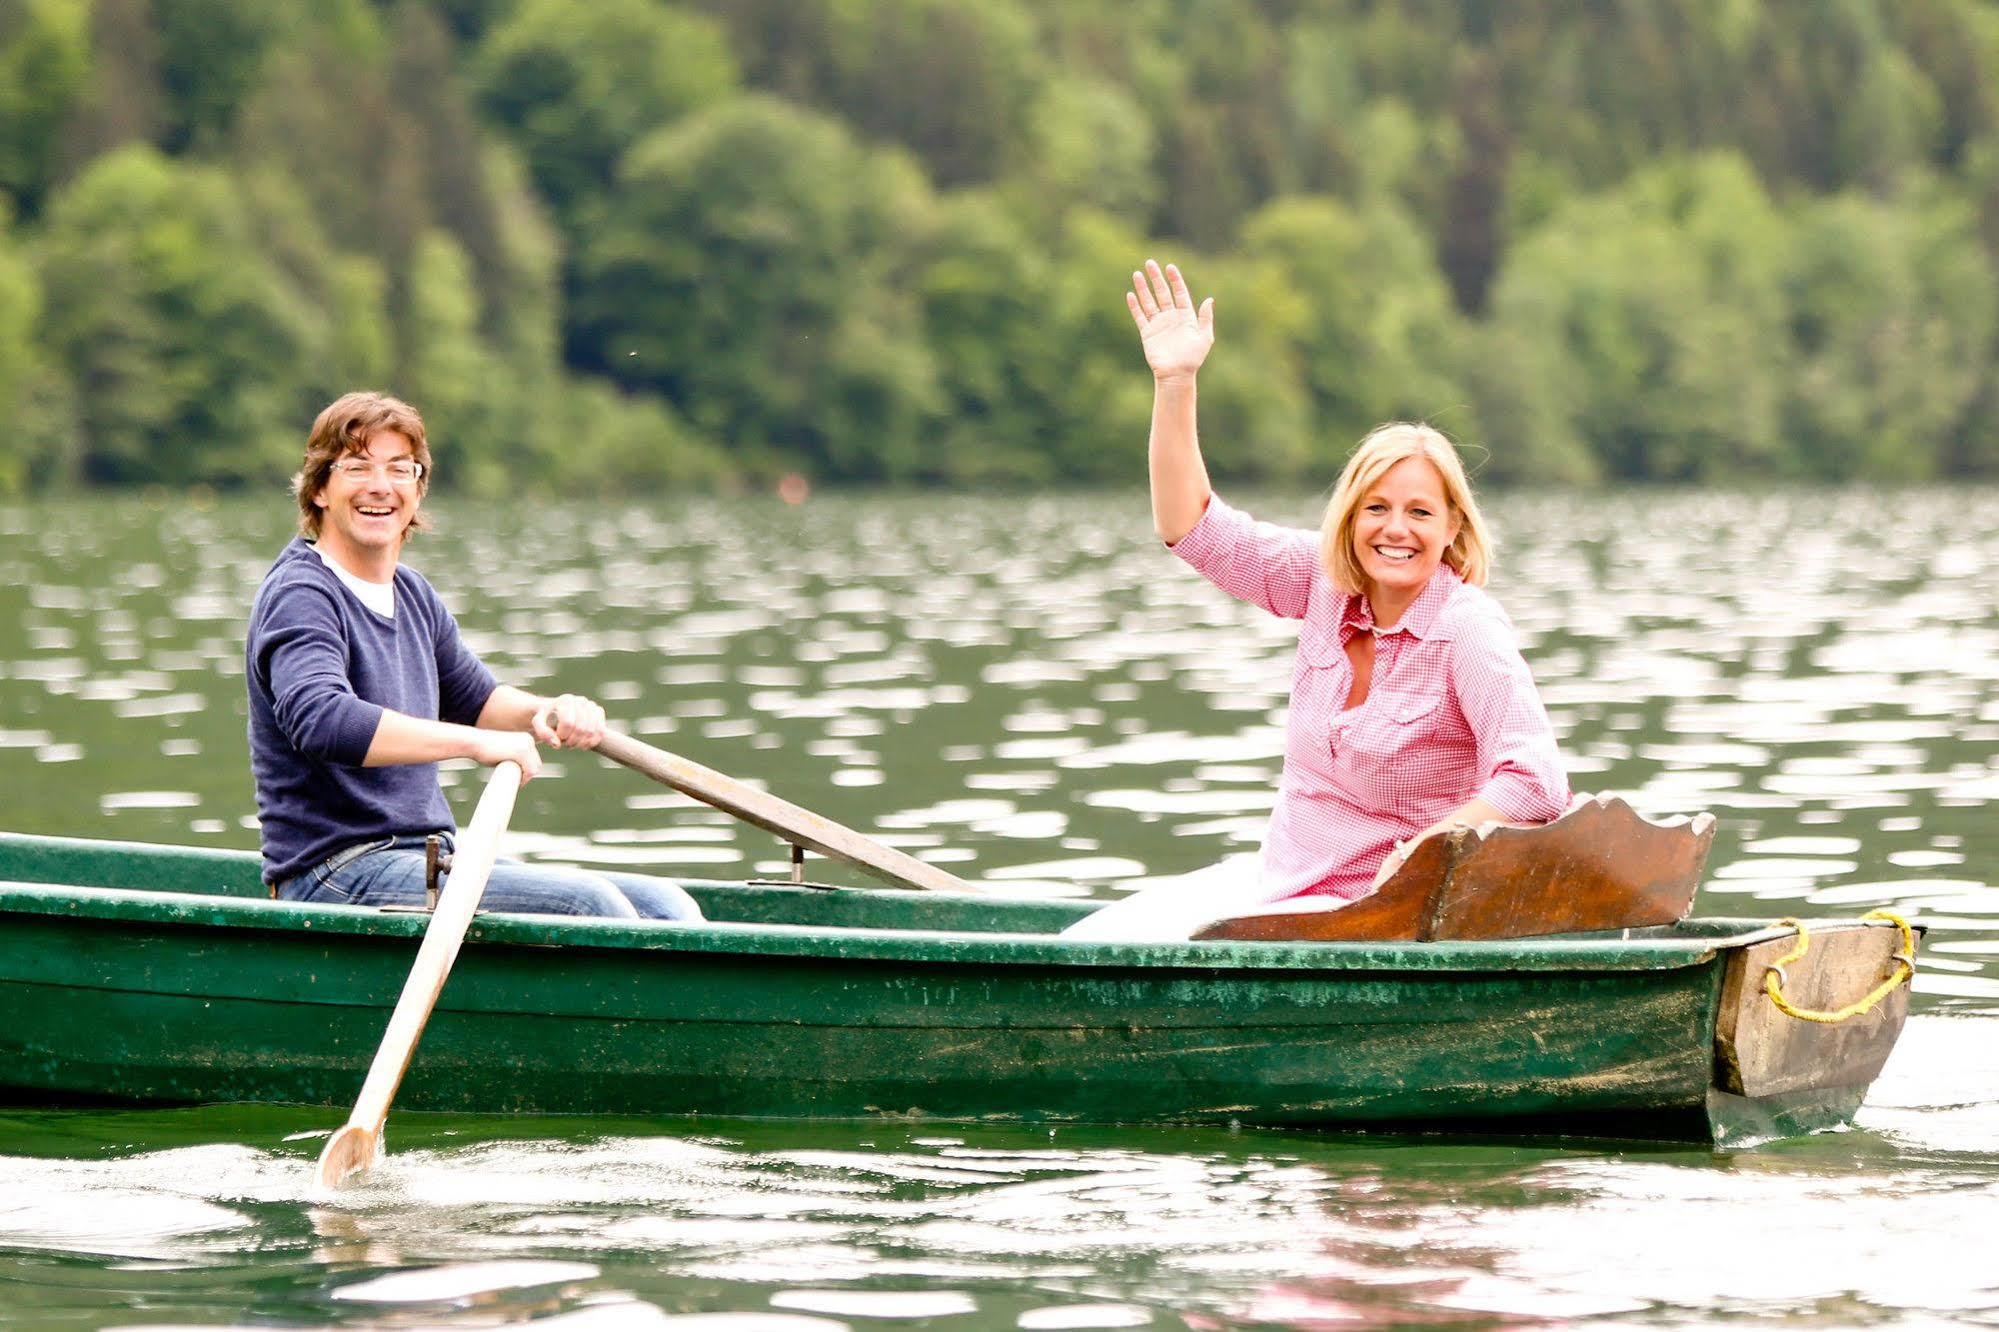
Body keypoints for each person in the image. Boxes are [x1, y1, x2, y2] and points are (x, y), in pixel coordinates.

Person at [1064, 261, 1568, 940]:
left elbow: (1534, 780)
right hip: (1283, 883)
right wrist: (1175, 382)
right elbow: (1189, 526)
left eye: (1420, 512)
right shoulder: (1322, 584)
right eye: (1376, 508)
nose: (1395, 529)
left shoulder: (1465, 628)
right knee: (1090, 944)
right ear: (1349, 517)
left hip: (1386, 916)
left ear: (1453, 526)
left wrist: (1429, 847)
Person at [246, 390, 704, 921]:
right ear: (321, 488)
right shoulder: (301, 594)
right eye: (357, 467)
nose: (380, 487)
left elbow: (477, 699)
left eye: (400, 469)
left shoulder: (412, 594)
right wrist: (478, 745)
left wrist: (545, 711)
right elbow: (323, 721)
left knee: (665, 904)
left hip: (427, 857)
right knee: (587, 906)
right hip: (334, 871)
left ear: (417, 491)